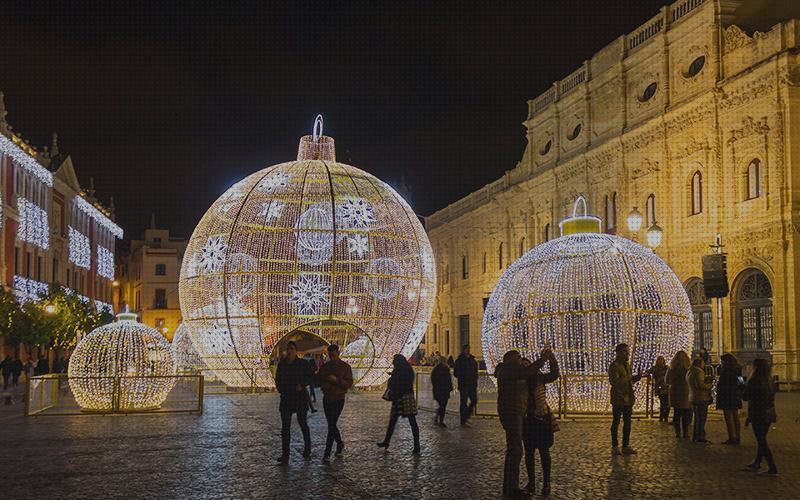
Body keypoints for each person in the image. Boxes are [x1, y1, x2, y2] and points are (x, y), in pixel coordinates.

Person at [496, 349, 547, 498]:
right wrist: (541, 360)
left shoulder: (509, 370)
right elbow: (524, 373)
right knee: (515, 450)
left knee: (513, 450)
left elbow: (530, 374)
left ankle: (509, 486)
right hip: (512, 412)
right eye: (517, 357)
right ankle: (512, 488)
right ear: (510, 359)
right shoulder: (507, 370)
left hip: (515, 411)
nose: (520, 359)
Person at [522, 351, 559, 496]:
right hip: (528, 421)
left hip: (542, 419)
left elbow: (554, 375)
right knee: (529, 453)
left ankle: (546, 482)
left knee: (544, 452)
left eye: (527, 364)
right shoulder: (520, 380)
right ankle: (531, 482)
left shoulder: (539, 378)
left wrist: (552, 360)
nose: (526, 366)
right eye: (523, 365)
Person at [275, 341, 314, 464]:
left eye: (292, 349)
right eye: (288, 349)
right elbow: (278, 379)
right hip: (286, 398)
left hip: (299, 398)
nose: (290, 351)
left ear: (296, 351)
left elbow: (311, 376)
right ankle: (285, 455)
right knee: (285, 428)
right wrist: (281, 389)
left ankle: (307, 448)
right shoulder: (282, 364)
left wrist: (302, 385)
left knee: (303, 423)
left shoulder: (302, 364)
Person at [315, 344, 353, 461]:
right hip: (327, 398)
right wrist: (323, 384)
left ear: (338, 352)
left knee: (331, 424)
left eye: (334, 353)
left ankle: (327, 453)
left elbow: (349, 383)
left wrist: (337, 380)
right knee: (331, 424)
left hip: (338, 398)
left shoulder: (345, 367)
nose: (332, 355)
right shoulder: (325, 367)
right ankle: (340, 443)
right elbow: (317, 380)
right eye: (330, 353)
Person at [377, 354, 420, 454]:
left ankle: (386, 442)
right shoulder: (408, 369)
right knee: (410, 422)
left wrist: (392, 379)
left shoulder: (398, 370)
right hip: (407, 397)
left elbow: (395, 383)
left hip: (400, 397)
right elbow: (408, 381)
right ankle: (416, 445)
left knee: (395, 421)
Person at [742, 358, 778, 475]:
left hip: (758, 414)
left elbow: (745, 397)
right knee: (762, 438)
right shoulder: (769, 381)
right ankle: (757, 462)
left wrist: (743, 387)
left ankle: (772, 467)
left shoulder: (754, 381)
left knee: (761, 441)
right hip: (769, 413)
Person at [608, 343, 642, 455]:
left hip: (628, 398)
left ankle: (626, 445)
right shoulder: (614, 366)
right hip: (618, 398)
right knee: (616, 422)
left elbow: (628, 381)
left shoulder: (627, 365)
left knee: (627, 423)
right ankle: (615, 446)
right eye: (626, 352)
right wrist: (628, 378)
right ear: (619, 353)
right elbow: (615, 382)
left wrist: (635, 378)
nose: (628, 354)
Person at [716, 353, 743, 445]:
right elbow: (741, 381)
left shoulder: (726, 371)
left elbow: (723, 385)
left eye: (722, 361)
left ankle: (732, 437)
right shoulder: (737, 370)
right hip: (735, 395)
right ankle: (737, 436)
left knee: (729, 417)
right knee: (735, 417)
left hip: (727, 396)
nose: (721, 363)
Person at [687, 357, 713, 443]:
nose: (704, 365)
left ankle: (696, 435)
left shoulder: (690, 371)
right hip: (701, 397)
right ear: (699, 364)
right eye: (702, 363)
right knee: (701, 418)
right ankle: (700, 436)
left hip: (693, 397)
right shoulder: (698, 371)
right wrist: (709, 385)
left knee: (697, 418)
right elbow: (700, 386)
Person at [667, 351, 692, 438]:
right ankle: (685, 433)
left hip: (675, 392)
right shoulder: (688, 369)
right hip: (685, 392)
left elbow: (667, 380)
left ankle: (678, 432)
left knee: (677, 413)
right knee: (685, 414)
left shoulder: (672, 369)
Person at [453, 344, 479, 426]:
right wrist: (463, 375)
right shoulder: (459, 360)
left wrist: (475, 380)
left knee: (474, 400)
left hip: (472, 384)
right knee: (463, 402)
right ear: (463, 350)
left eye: (469, 349)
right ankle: (463, 420)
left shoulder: (472, 359)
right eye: (467, 349)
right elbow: (456, 373)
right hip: (464, 384)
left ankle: (467, 415)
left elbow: (475, 371)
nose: (468, 350)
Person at [431, 356, 453, 427]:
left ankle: (438, 418)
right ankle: (440, 420)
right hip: (440, 390)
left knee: (443, 406)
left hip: (444, 390)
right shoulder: (437, 369)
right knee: (442, 406)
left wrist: (450, 387)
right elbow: (434, 380)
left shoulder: (446, 369)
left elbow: (449, 379)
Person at [646, 356, 669, 422]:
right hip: (660, 388)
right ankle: (662, 417)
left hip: (666, 387)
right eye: (659, 360)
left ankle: (665, 416)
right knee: (663, 403)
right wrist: (648, 375)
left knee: (667, 403)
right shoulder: (655, 368)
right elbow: (648, 371)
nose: (660, 361)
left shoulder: (666, 368)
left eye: (661, 359)